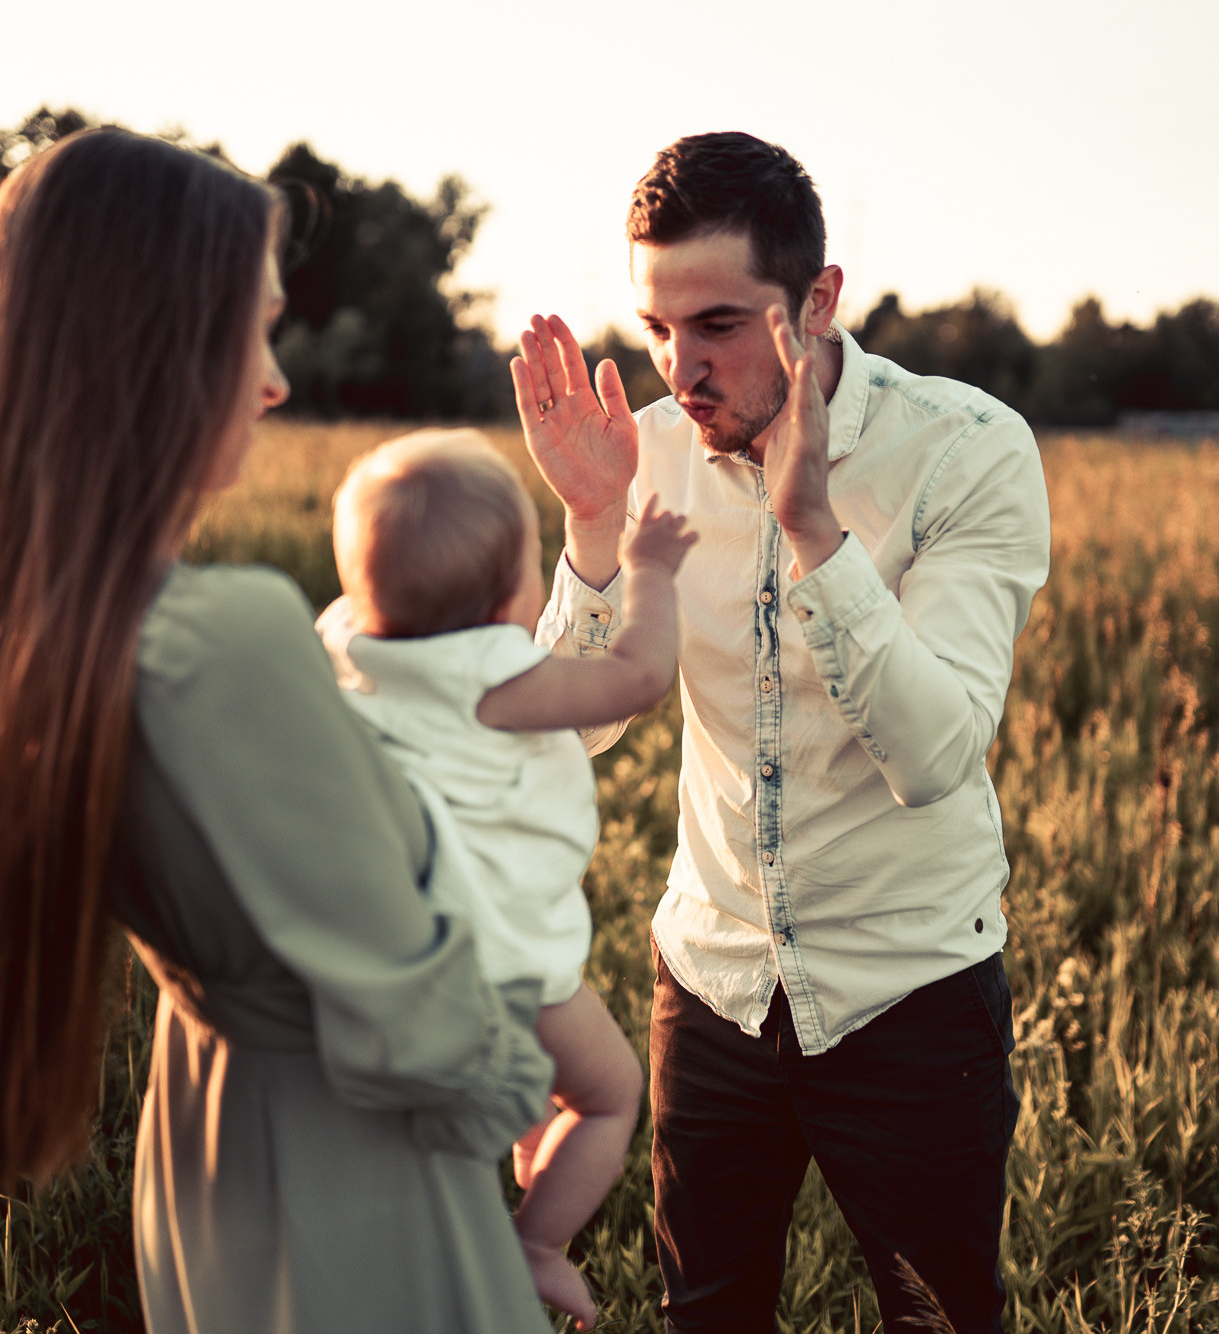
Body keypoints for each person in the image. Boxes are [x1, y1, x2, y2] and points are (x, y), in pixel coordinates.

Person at [0, 128, 556, 1333]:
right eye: (249, 330)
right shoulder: (225, 636)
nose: (274, 379)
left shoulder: (43, 631)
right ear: (141, 346)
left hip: (214, 1153)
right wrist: (538, 1097)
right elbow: (424, 1027)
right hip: (355, 1176)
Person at [509, 131, 1051, 1332]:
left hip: (907, 985)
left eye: (717, 325)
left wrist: (813, 531)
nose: (678, 366)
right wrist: (593, 529)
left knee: (939, 1314)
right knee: (704, 1311)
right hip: (709, 978)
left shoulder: (964, 452)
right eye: (655, 328)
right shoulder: (640, 456)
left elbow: (932, 754)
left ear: (815, 302)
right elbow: (562, 740)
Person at [316, 429, 696, 1328]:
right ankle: (531, 1243)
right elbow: (638, 674)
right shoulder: (495, 678)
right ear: (503, 602)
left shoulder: (347, 651)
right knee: (609, 1097)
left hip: (392, 961)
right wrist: (649, 572)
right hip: (503, 965)